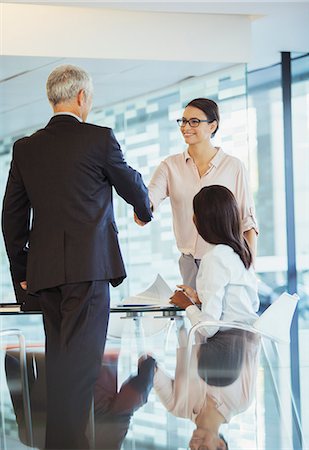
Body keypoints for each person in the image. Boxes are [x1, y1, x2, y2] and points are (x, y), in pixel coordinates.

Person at [1, 64, 152, 449]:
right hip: (88, 271)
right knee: (80, 368)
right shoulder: (99, 139)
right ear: (82, 97)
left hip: (45, 274)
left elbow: (12, 217)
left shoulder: (26, 147)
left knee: (62, 364)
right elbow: (130, 183)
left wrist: (22, 271)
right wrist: (145, 209)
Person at [139, 98, 258, 289]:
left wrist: (248, 271)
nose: (186, 127)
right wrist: (142, 209)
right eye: (183, 121)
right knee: (198, 317)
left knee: (222, 316)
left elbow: (248, 223)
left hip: (226, 259)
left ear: (212, 126)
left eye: (194, 121)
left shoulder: (233, 167)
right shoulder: (170, 166)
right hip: (189, 261)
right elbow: (149, 198)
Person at [154, 320, 260, 450]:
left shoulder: (177, 407)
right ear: (220, 445)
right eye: (203, 449)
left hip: (193, 314)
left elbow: (150, 368)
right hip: (234, 316)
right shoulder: (241, 401)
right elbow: (252, 344)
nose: (194, 445)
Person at [170, 185, 259, 337]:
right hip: (248, 345)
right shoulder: (242, 254)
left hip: (225, 351)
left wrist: (187, 305)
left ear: (201, 221)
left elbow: (208, 328)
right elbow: (250, 305)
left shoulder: (214, 258)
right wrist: (199, 298)